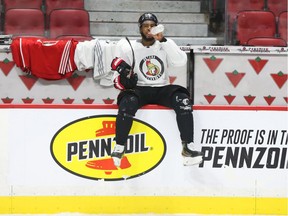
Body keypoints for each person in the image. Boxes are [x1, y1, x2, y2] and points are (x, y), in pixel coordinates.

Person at [110, 13, 203, 167]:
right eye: (146, 25)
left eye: (152, 25)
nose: (149, 28)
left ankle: (188, 147)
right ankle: (119, 146)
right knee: (127, 102)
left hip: (161, 88)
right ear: (140, 28)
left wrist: (163, 40)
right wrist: (124, 80)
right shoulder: (128, 47)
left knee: (183, 100)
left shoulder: (164, 44)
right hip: (139, 89)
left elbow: (180, 61)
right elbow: (116, 79)